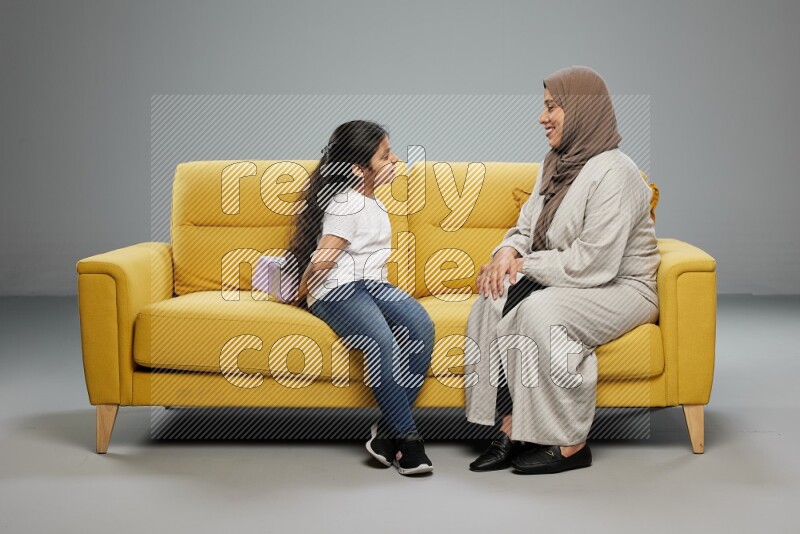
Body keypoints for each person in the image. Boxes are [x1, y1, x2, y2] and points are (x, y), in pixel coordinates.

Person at [465, 66, 661, 474]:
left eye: (552, 107)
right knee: (494, 294)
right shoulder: (555, 163)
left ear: (582, 110)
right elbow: (526, 228)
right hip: (572, 277)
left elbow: (594, 262)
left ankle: (571, 442)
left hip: (619, 286)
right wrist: (506, 253)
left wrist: (525, 263)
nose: (542, 117)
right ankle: (512, 426)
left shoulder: (616, 172)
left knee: (541, 313)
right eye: (544, 107)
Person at [287, 120, 436, 476]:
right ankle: (407, 439)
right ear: (359, 168)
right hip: (336, 290)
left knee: (421, 326)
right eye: (385, 155)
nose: (395, 159)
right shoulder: (346, 204)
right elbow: (324, 259)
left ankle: (384, 433)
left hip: (369, 286)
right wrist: (301, 294)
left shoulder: (374, 203)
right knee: (381, 341)